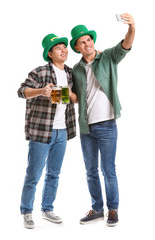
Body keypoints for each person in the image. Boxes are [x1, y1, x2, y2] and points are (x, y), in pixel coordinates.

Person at [70, 13, 135, 227]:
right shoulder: (77, 70)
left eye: (89, 39)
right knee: (90, 171)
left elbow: (125, 46)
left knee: (108, 170)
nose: (87, 43)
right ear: (77, 47)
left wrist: (132, 27)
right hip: (86, 127)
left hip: (107, 124)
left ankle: (113, 210)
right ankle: (97, 209)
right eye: (82, 41)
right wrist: (54, 93)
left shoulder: (107, 56)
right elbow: (76, 98)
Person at [18, 33, 77, 229]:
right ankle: (26, 211)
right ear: (50, 54)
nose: (63, 50)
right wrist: (41, 91)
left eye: (64, 46)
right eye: (58, 48)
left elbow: (73, 98)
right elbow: (21, 91)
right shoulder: (40, 72)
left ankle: (47, 209)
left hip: (62, 131)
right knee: (33, 174)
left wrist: (65, 95)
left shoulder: (69, 73)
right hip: (42, 132)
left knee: (54, 173)